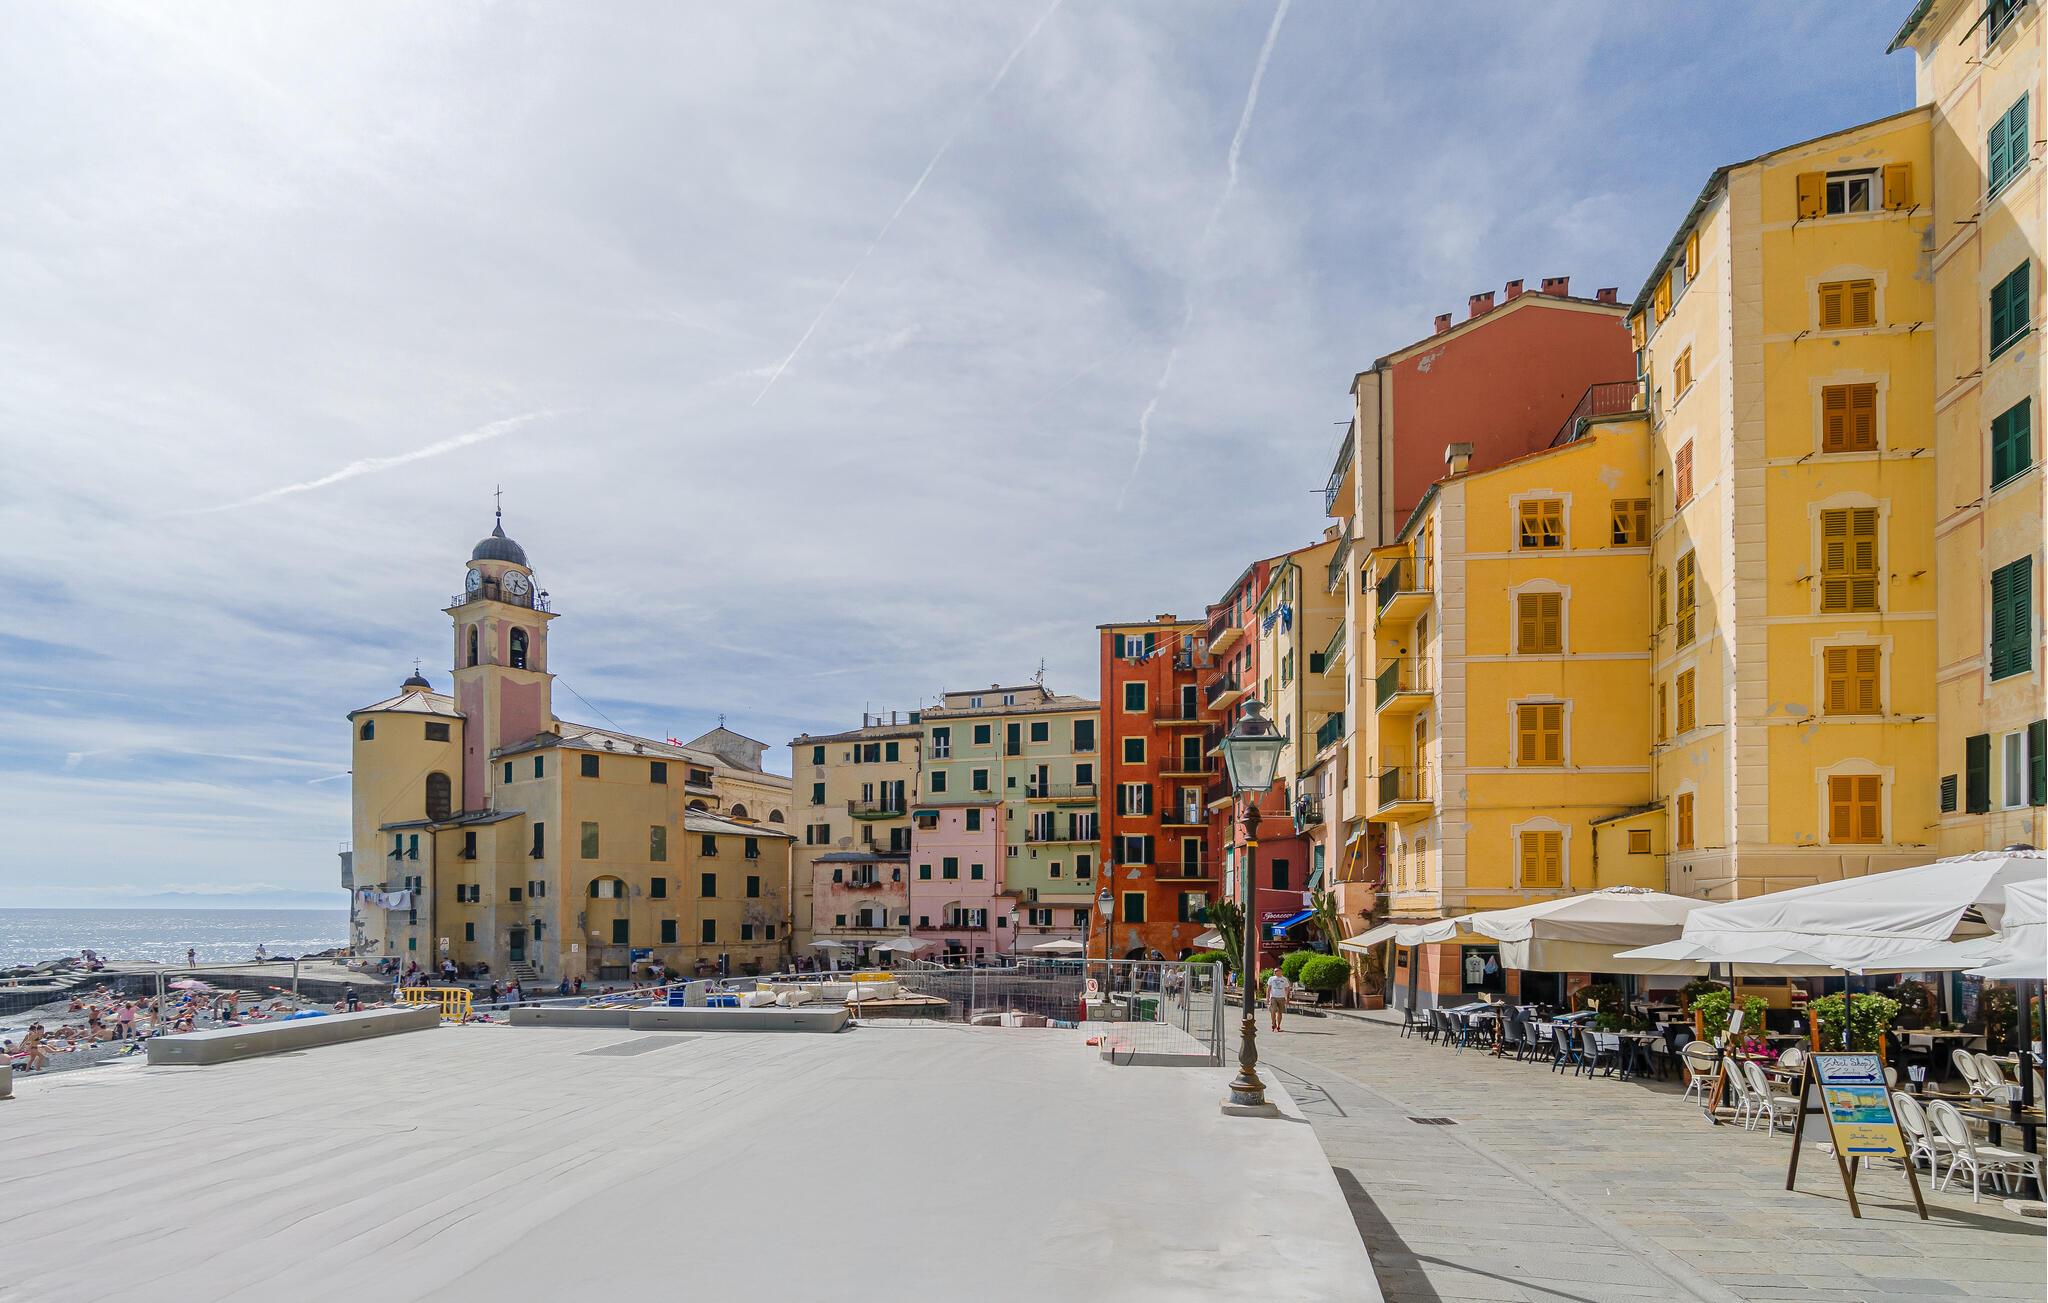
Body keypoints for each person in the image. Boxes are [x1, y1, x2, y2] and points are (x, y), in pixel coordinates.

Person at [1266, 968, 1292, 1033]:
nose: (1275, 972)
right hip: (1273, 997)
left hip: (1282, 997)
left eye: (1276, 971)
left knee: (1280, 1012)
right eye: (1274, 971)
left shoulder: (1284, 979)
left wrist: (1287, 998)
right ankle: (1273, 1024)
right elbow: (1268, 988)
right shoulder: (1271, 978)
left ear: (1281, 971)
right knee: (1273, 1011)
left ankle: (1278, 1026)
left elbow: (1287, 989)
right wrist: (1267, 998)